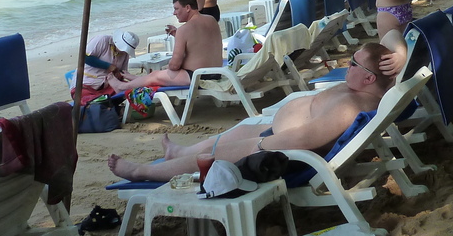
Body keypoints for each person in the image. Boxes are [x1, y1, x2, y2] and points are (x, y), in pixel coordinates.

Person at [107, 40, 404, 182]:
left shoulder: (353, 106)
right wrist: (400, 52)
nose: (348, 64)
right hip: (278, 134)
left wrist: (259, 144)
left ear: (368, 78)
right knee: (226, 136)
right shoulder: (367, 87)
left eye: (354, 63)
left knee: (212, 157)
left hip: (281, 151)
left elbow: (307, 138)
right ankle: (175, 153)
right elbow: (391, 37)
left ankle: (142, 172)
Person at [117, 0, 223, 91]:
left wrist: (169, 66)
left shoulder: (184, 29)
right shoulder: (211, 20)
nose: (174, 13)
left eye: (176, 9)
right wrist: (178, 35)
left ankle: (122, 86)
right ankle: (138, 79)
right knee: (157, 74)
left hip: (197, 76)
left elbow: (175, 65)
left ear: (187, 8)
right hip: (216, 72)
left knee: (157, 76)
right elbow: (201, 43)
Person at [70, 31, 139, 105]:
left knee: (131, 90)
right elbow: (84, 57)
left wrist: (122, 75)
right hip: (86, 84)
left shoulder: (125, 55)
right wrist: (108, 66)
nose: (123, 52)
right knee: (89, 100)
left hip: (107, 86)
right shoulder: (102, 40)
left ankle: (109, 108)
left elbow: (122, 72)